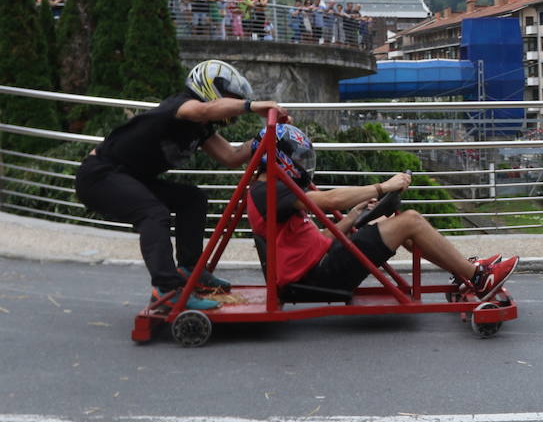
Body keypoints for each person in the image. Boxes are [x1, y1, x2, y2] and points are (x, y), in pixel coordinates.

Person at [74, 61, 287, 311]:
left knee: (192, 200)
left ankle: (188, 270)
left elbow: (231, 156)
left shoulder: (201, 128)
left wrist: (272, 134)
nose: (235, 103)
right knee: (153, 213)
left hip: (130, 177)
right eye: (231, 97)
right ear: (210, 89)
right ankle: (166, 289)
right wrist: (252, 107)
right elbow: (203, 111)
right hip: (100, 175)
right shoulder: (181, 105)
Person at [246, 124, 518, 300]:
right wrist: (382, 187)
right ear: (280, 157)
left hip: (320, 264)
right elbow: (328, 200)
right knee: (409, 221)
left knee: (394, 220)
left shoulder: (270, 190)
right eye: (298, 159)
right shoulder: (269, 191)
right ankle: (478, 278)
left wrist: (353, 216)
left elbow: (314, 242)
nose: (301, 166)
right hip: (317, 275)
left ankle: (466, 272)